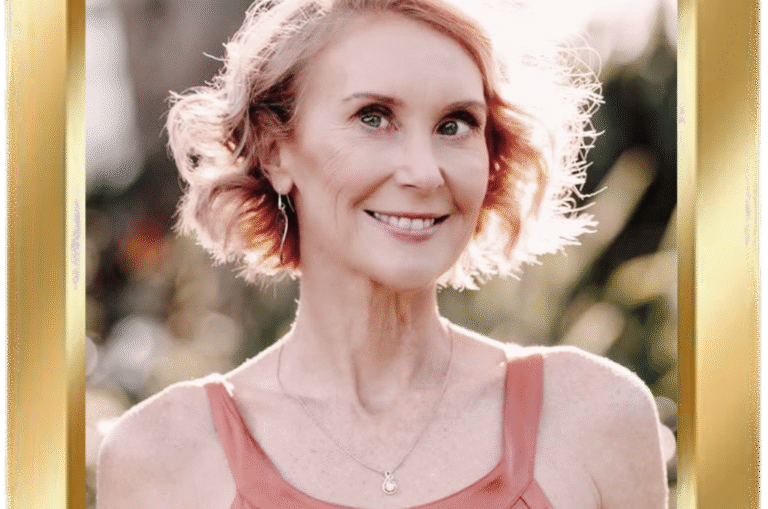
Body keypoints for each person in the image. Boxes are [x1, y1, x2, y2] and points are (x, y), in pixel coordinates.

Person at [97, 0, 669, 507]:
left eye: (455, 124)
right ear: (275, 152)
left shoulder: (593, 418)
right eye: (373, 118)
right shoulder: (162, 455)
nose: (424, 172)